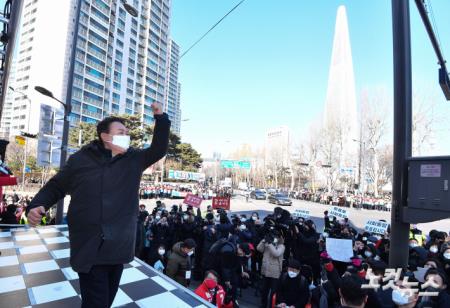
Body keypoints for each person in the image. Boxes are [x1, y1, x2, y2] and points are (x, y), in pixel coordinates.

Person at [26, 103, 170, 308]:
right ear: (105, 136)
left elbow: (159, 149)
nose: (126, 136)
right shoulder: (80, 160)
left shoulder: (134, 159)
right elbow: (57, 185)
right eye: (121, 132)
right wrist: (38, 204)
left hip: (118, 245)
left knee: (105, 301)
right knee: (97, 303)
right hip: (90, 246)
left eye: (127, 133)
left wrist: (161, 118)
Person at [257, 232, 285, 308]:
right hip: (265, 270)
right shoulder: (267, 244)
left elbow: (276, 253)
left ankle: (271, 305)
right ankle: (263, 304)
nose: (275, 238)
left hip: (274, 272)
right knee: (264, 290)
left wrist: (269, 244)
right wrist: (263, 240)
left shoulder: (281, 246)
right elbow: (259, 249)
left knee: (273, 291)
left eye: (276, 237)